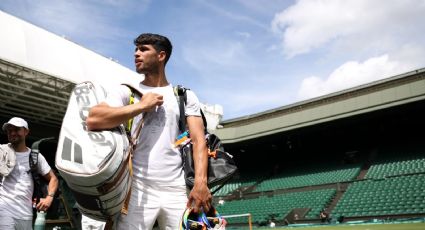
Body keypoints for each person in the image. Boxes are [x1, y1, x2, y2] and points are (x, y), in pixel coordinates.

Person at [87, 33, 211, 229]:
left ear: (161, 56)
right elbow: (93, 119)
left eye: (144, 49)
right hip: (136, 188)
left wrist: (200, 183)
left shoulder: (184, 96)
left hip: (177, 189)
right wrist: (140, 106)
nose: (137, 54)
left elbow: (199, 141)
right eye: (136, 49)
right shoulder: (126, 90)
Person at [0, 117, 59, 230]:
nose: (12, 133)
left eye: (16, 129)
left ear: (26, 132)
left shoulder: (35, 156)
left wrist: (49, 197)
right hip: (4, 209)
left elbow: (53, 179)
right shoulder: (2, 152)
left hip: (26, 214)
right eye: (9, 130)